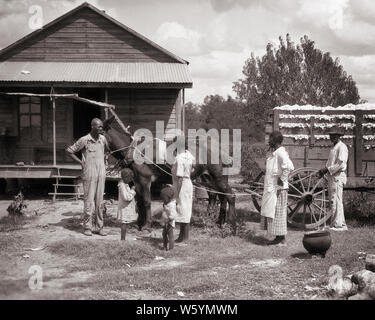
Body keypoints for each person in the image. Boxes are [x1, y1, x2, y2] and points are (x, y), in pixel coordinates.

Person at [66, 118, 108, 236]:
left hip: (101, 172)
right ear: (93, 127)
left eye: (101, 126)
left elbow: (107, 150)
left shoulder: (103, 139)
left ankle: (99, 227)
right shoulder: (84, 140)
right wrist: (81, 162)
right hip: (89, 172)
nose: (101, 128)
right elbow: (69, 151)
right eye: (99, 127)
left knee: (100, 201)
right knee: (89, 201)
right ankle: (88, 227)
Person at [260, 131, 294, 246]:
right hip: (273, 187)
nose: (269, 141)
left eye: (270, 139)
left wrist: (282, 179)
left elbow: (289, 166)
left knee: (278, 213)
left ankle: (281, 239)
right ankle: (278, 237)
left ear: (276, 141)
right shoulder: (274, 153)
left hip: (279, 189)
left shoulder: (280, 152)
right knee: (273, 212)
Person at [317, 128, 348, 231]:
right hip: (332, 176)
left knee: (337, 200)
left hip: (338, 176)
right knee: (333, 200)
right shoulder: (334, 147)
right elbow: (330, 162)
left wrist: (327, 169)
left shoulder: (342, 147)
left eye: (334, 136)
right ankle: (338, 223)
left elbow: (340, 164)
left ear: (339, 137)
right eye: (330, 136)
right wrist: (324, 171)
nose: (332, 138)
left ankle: (338, 225)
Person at [172, 135, 195, 243]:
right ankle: (182, 236)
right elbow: (193, 167)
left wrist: (176, 193)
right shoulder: (189, 155)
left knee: (182, 208)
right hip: (188, 182)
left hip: (181, 184)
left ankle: (185, 237)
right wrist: (188, 173)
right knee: (185, 209)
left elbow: (179, 177)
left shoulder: (180, 158)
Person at [117, 168, 137, 240]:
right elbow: (126, 197)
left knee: (125, 222)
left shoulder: (125, 185)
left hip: (126, 208)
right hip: (124, 208)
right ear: (125, 177)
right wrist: (132, 190)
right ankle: (122, 239)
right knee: (124, 223)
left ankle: (123, 238)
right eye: (130, 178)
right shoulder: (122, 186)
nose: (131, 180)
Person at [159, 186, 177, 250]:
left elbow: (173, 215)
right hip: (165, 222)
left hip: (170, 223)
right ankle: (164, 246)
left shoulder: (171, 205)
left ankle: (171, 248)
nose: (163, 200)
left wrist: (169, 219)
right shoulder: (166, 203)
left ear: (169, 198)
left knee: (170, 235)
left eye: (164, 198)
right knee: (164, 234)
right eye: (162, 199)